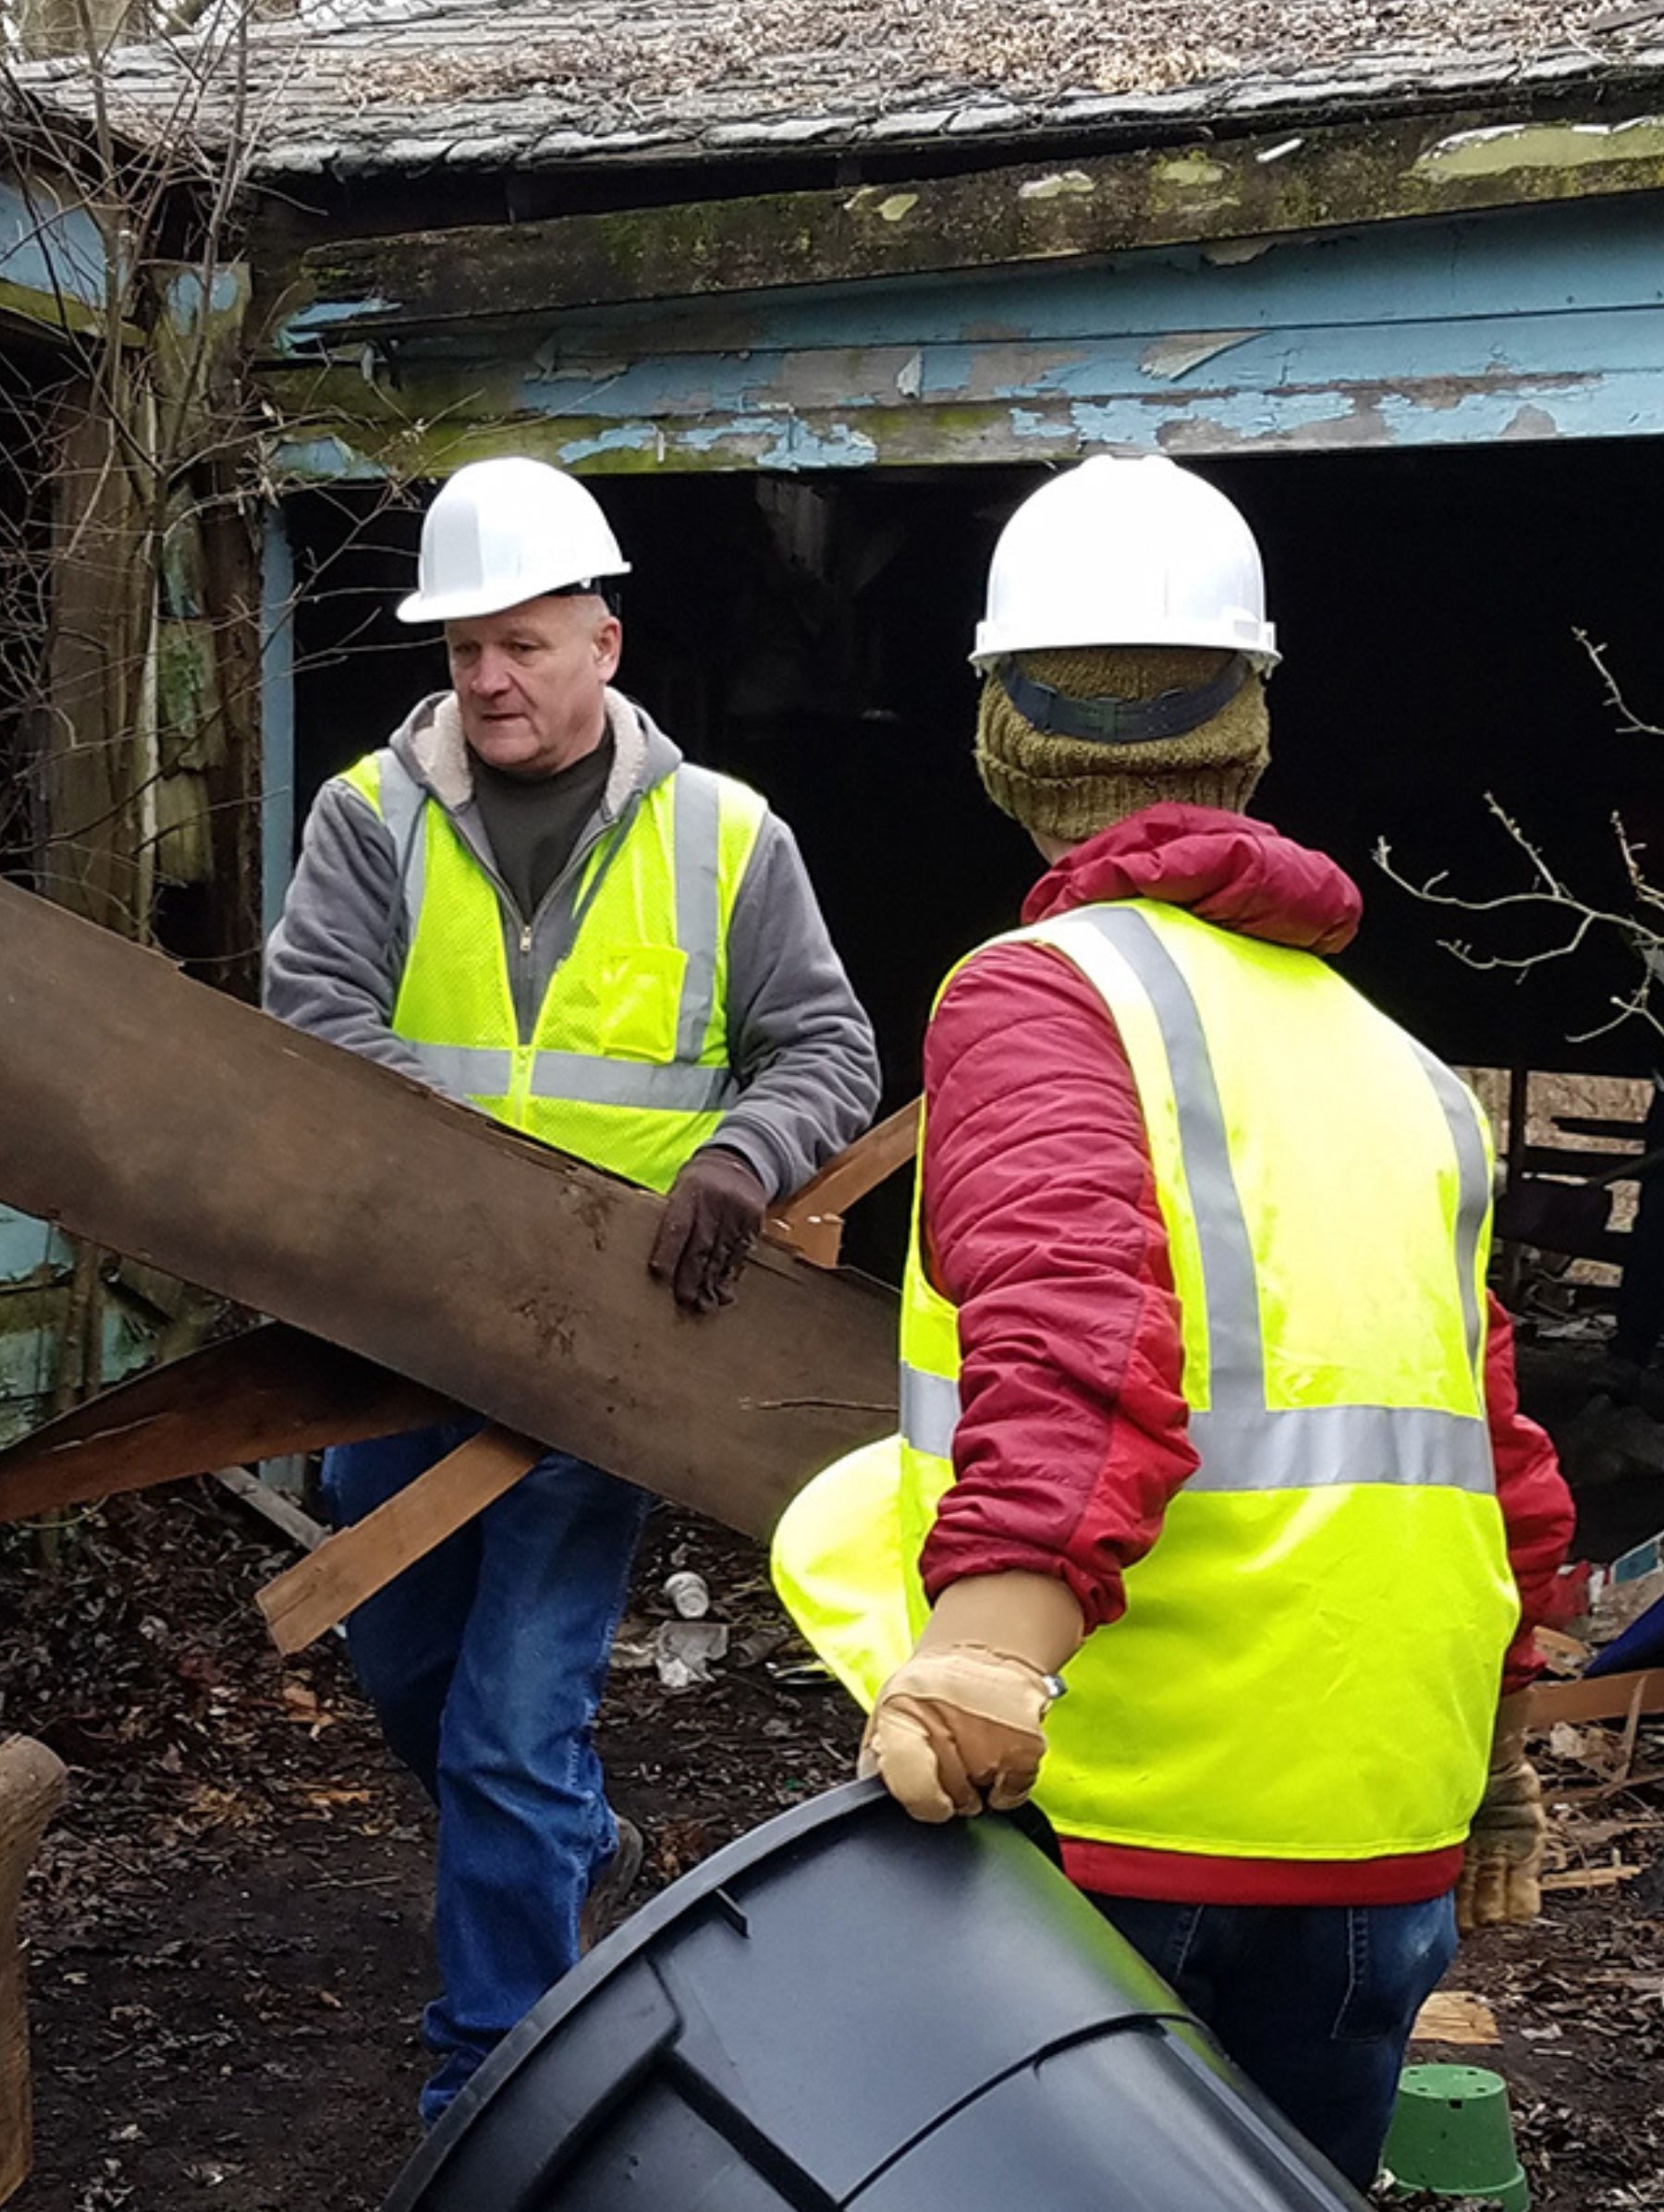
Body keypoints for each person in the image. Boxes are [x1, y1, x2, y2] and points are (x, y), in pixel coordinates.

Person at [773, 454, 1574, 2193]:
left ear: (1000, 729)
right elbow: (1494, 1451)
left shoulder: (1040, 993)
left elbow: (1074, 1321)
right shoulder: (1403, 1069)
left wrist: (988, 1657)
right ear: (1251, 724)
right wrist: (1504, 1752)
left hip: (1142, 1814)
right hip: (1384, 1830)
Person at [265, 456, 880, 2123]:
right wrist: (480, 1211)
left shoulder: (726, 838)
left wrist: (742, 1162)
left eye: (524, 644)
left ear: (602, 643)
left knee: (511, 1717)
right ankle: (573, 1849)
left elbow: (826, 1043)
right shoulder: (367, 818)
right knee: (409, 1673)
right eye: (464, 647)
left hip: (610, 1355)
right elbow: (315, 1024)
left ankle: (495, 2083)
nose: (488, 679)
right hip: (404, 1337)